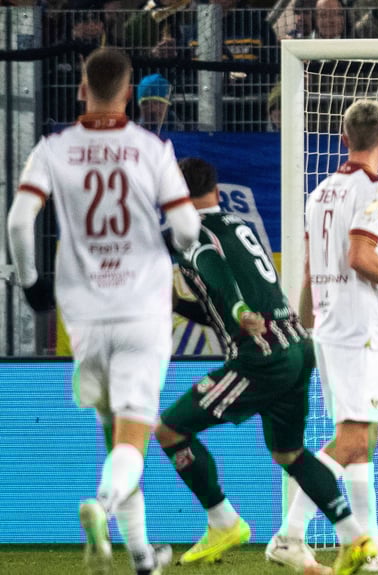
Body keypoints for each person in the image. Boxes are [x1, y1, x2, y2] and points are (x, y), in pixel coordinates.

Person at [6, 47, 201, 575]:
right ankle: (102, 505)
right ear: (131, 90)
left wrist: (30, 286)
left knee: (115, 432)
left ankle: (142, 557)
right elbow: (187, 230)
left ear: (81, 89)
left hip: (86, 313)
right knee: (133, 435)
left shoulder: (52, 149)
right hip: (140, 310)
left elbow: (20, 222)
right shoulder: (151, 150)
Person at [154, 157, 377, 574]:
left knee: (169, 429)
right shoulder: (239, 225)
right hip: (296, 346)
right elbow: (220, 300)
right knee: (289, 452)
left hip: (260, 356)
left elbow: (221, 280)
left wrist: (237, 310)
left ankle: (223, 521)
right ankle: (355, 538)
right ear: (216, 191)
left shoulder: (193, 237)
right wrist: (186, 304)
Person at [268, 100, 378, 573]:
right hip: (355, 328)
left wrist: (306, 327)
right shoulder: (376, 191)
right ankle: (289, 536)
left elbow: (311, 269)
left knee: (363, 437)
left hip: (330, 327)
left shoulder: (320, 193)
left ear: (343, 137)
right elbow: (359, 256)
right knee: (353, 440)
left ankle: (367, 546)